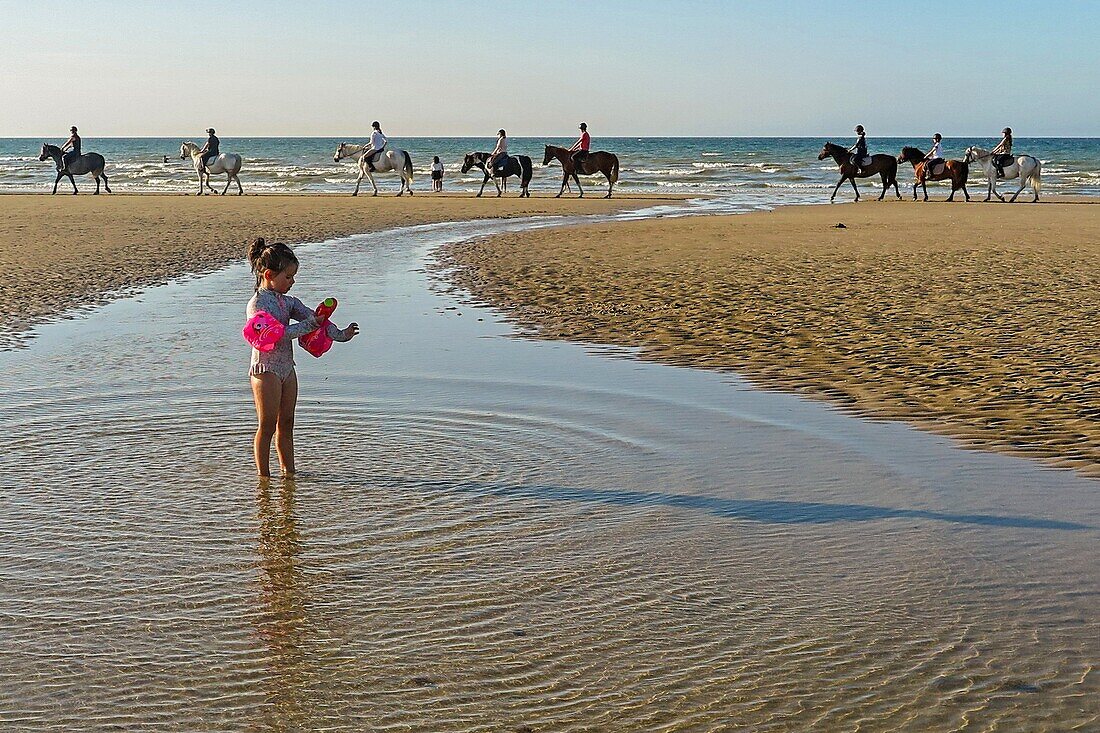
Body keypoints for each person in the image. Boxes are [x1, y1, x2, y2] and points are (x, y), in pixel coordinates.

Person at [246, 238, 359, 477]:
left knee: (286, 424)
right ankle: (263, 479)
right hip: (265, 369)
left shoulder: (289, 302)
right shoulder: (257, 305)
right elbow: (275, 335)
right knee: (267, 426)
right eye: (288, 277)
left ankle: (289, 475)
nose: (292, 282)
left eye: (293, 276)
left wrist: (341, 335)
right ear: (269, 274)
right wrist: (308, 325)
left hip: (287, 368)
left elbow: (316, 319)